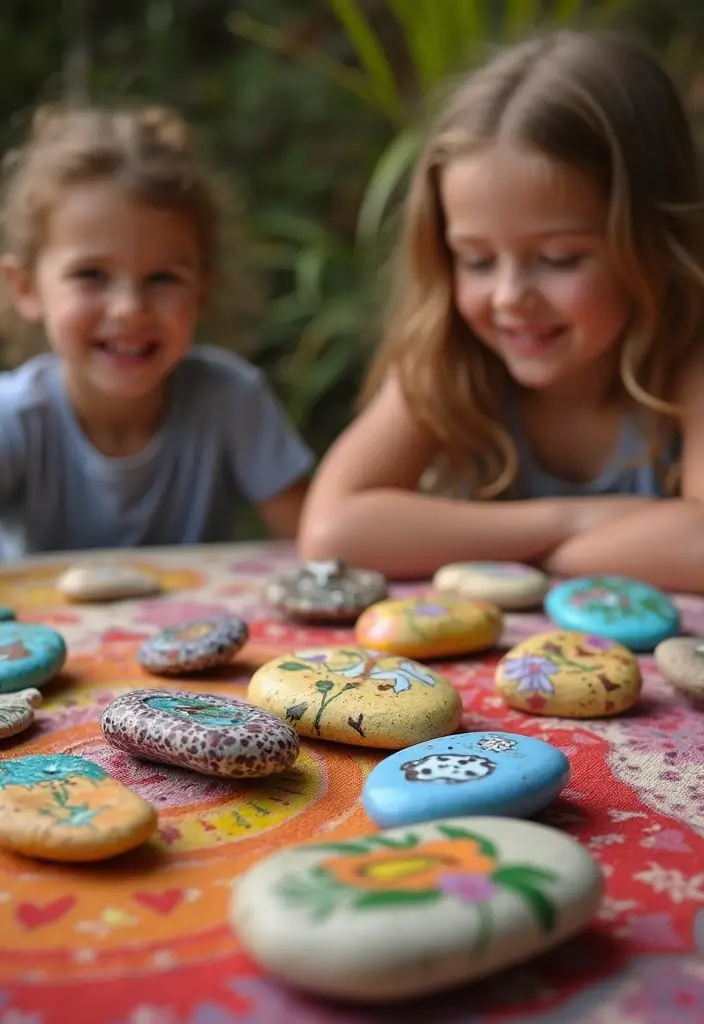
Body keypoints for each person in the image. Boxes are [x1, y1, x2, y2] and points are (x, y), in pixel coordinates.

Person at [299, 29, 704, 591]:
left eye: (561, 258)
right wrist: (573, 521)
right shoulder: (451, 358)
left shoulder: (688, 358)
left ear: (657, 239)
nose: (510, 296)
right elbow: (332, 532)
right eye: (477, 259)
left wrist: (536, 562)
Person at [0, 104, 314, 559]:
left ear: (202, 290)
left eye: (162, 278)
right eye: (91, 275)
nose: (129, 309)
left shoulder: (231, 400)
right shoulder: (14, 420)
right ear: (25, 288)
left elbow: (317, 551)